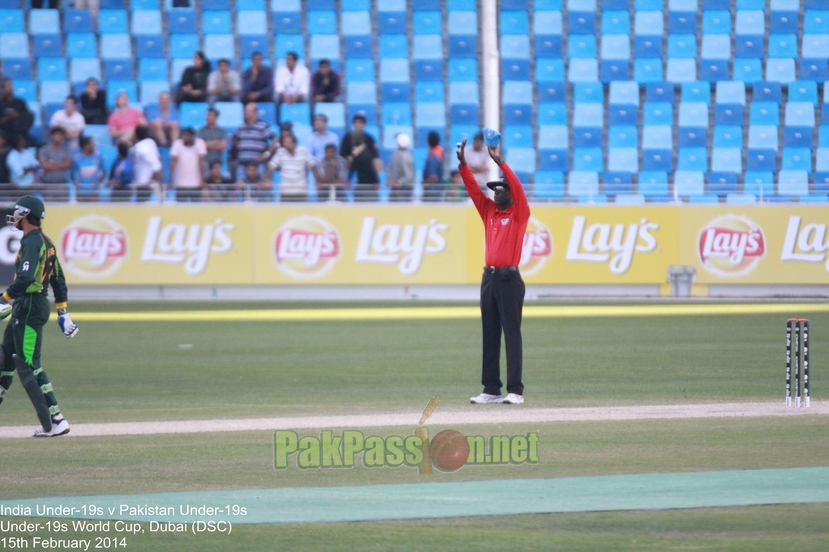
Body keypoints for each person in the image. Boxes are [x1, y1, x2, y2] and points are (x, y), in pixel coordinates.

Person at [457, 137, 530, 405]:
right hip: (489, 277)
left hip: (509, 279)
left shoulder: (520, 212)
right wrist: (464, 164)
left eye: (501, 189)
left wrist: (500, 162)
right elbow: (474, 190)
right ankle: (491, 389)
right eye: (495, 189)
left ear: (511, 194)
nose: (495, 193)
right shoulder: (490, 212)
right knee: (490, 333)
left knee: (511, 333)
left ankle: (515, 391)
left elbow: (519, 188)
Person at [0, 195, 78, 437]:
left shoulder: (34, 242)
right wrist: (63, 312)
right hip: (27, 304)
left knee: (29, 363)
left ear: (26, 215)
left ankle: (56, 420)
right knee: (5, 361)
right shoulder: (46, 242)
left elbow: (26, 279)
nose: (15, 217)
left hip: (30, 305)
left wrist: (4, 300)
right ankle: (55, 420)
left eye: (18, 213)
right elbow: (58, 280)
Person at [340, 114, 381, 202]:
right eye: (355, 122)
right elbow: (344, 156)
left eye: (360, 122)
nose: (358, 124)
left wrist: (376, 180)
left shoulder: (369, 139)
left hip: (368, 177)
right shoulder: (347, 137)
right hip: (355, 172)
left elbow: (373, 161)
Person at [232, 102, 276, 181]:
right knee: (239, 187)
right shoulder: (241, 127)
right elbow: (234, 138)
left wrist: (267, 153)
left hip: (258, 165)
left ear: (255, 112)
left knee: (260, 189)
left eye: (248, 111)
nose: (245, 113)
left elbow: (275, 139)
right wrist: (240, 146)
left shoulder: (263, 126)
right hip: (243, 164)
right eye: (245, 111)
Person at [265, 132, 313, 202]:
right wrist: (265, 179)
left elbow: (313, 166)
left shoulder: (304, 151)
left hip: (301, 191)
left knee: (302, 212)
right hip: (285, 192)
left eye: (287, 142)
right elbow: (272, 167)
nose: (284, 144)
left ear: (294, 143)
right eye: (284, 142)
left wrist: (318, 181)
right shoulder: (281, 152)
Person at [169, 128, 207, 202]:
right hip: (180, 184)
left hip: (196, 184)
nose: (185, 137)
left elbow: (201, 163)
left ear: (193, 136)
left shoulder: (200, 143)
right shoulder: (177, 144)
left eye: (188, 135)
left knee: (196, 209)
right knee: (180, 209)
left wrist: (202, 180)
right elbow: (173, 163)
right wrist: (170, 179)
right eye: (184, 135)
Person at [38, 127, 73, 202]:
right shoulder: (44, 150)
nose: (60, 137)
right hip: (48, 184)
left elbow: (68, 164)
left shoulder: (66, 150)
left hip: (62, 183)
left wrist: (53, 163)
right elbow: (45, 166)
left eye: (62, 135)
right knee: (48, 207)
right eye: (58, 134)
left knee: (64, 208)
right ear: (52, 136)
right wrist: (61, 165)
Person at [0, 78, 34, 146]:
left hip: (20, 132)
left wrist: (19, 115)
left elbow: (28, 117)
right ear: (3, 89)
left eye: (11, 85)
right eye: (7, 85)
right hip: (5, 133)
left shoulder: (20, 102)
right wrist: (10, 117)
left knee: (33, 142)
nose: (10, 87)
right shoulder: (1, 104)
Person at [132, 126, 162, 202]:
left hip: (144, 184)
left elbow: (156, 166)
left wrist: (149, 181)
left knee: (141, 209)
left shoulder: (140, 148)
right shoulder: (150, 143)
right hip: (144, 183)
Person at [71, 136, 106, 202]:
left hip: (94, 190)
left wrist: (99, 182)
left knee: (93, 210)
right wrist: (74, 181)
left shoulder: (98, 156)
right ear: (86, 145)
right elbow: (72, 172)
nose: (94, 145)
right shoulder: (77, 158)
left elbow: (104, 172)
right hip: (81, 190)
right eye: (92, 143)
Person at [386, 133, 415, 202]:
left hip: (403, 190)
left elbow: (408, 177)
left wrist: (396, 182)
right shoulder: (397, 153)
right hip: (395, 189)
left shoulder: (406, 157)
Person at [466, 132, 495, 196]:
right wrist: (479, 168)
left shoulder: (487, 152)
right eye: (474, 141)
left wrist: (473, 168)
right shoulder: (467, 150)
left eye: (477, 142)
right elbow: (465, 168)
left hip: (482, 182)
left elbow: (487, 167)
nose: (475, 143)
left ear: (482, 142)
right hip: (468, 181)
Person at [422, 131, 445, 202]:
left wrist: (423, 183)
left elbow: (433, 178)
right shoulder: (440, 153)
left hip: (432, 193)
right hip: (438, 190)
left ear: (428, 141)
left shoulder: (433, 157)